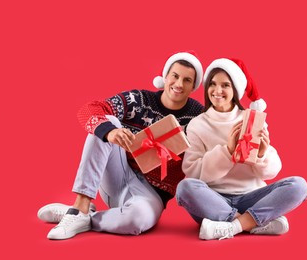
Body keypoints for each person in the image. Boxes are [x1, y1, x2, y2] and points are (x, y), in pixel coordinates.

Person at [37, 51, 204, 240]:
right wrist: (110, 131)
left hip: (152, 195)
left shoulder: (199, 117)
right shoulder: (138, 100)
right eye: (175, 76)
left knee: (135, 221)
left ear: (193, 87)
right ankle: (81, 205)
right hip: (118, 173)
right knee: (106, 122)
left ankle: (81, 216)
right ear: (165, 77)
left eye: (187, 80)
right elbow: (89, 110)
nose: (179, 84)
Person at [175, 58, 307, 240]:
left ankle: (231, 227)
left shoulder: (251, 119)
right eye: (213, 84)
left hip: (252, 196)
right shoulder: (197, 125)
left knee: (299, 185)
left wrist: (262, 153)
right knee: (185, 188)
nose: (217, 91)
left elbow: (271, 173)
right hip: (214, 200)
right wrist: (228, 151)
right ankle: (253, 224)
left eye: (225, 85)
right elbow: (194, 173)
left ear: (235, 90)